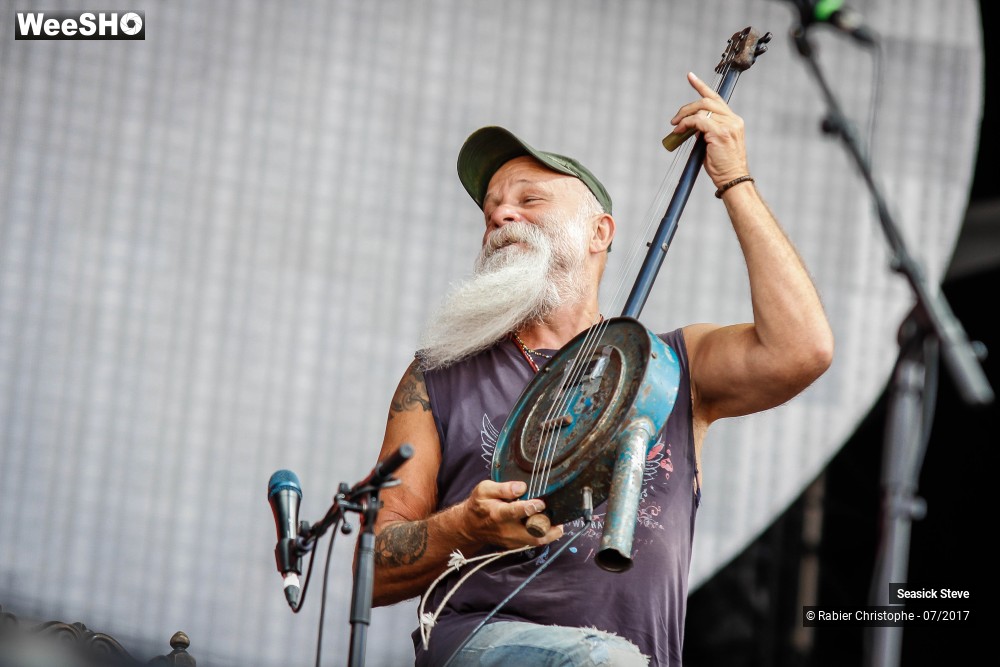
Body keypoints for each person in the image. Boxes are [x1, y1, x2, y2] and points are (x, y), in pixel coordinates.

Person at [369, 71, 834, 667]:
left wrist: (734, 180)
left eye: (528, 200)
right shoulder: (438, 375)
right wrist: (464, 527)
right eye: (490, 212)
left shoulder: (673, 365)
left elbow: (802, 349)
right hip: (482, 644)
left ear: (599, 233)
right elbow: (369, 569)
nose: (501, 215)